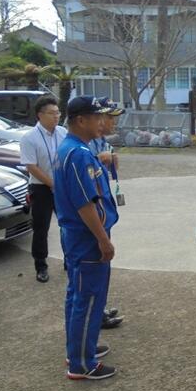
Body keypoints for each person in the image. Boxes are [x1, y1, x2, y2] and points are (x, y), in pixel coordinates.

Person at [54, 97, 119, 380]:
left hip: (77, 236)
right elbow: (85, 204)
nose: (102, 122)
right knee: (89, 297)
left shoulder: (71, 148)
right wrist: (103, 239)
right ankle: (82, 363)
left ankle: (80, 348)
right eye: (97, 117)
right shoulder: (78, 153)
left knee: (78, 294)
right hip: (86, 237)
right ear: (81, 120)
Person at [19, 95, 67, 283]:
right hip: (41, 188)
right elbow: (31, 166)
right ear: (40, 115)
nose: (56, 117)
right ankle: (41, 265)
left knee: (67, 225)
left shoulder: (63, 132)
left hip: (63, 186)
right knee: (41, 228)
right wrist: (52, 184)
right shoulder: (29, 138)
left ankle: (69, 260)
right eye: (51, 113)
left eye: (58, 113)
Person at [87, 97, 125, 330]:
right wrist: (101, 160)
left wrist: (110, 159)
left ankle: (100, 308)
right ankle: (95, 315)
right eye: (110, 117)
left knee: (102, 268)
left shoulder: (101, 141)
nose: (113, 123)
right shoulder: (84, 146)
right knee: (94, 264)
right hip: (94, 215)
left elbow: (114, 167)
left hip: (104, 211)